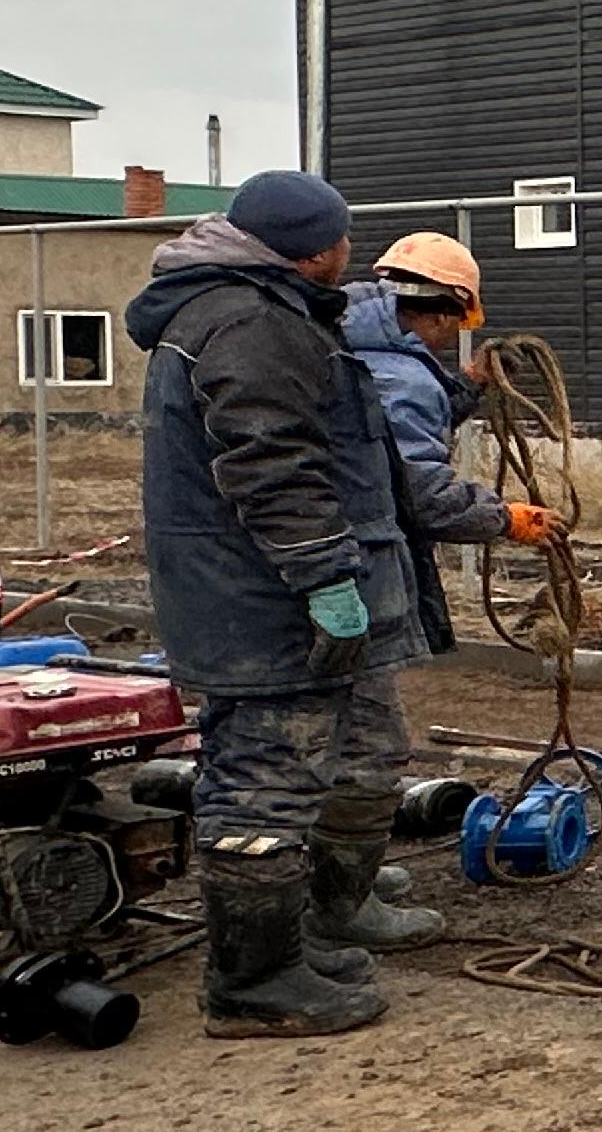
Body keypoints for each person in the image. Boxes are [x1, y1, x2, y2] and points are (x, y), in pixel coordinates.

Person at [124, 170, 438, 1037]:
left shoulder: (251, 311)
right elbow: (274, 468)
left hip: (254, 588)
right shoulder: (251, 323)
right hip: (261, 600)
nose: (350, 252)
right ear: (316, 247)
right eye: (343, 237)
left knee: (302, 769)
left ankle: (292, 946)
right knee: (263, 784)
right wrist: (325, 579)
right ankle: (253, 986)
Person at [340, 232, 556, 654]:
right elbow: (421, 493)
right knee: (368, 679)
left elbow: (389, 434)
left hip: (325, 545)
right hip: (365, 555)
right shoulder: (406, 380)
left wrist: (471, 383)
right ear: (440, 317)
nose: (454, 335)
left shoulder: (349, 344)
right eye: (459, 323)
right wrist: (504, 518)